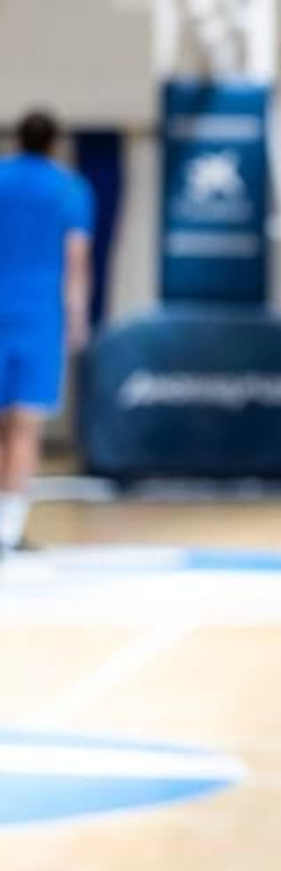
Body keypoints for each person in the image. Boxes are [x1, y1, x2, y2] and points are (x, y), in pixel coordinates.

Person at [0, 109, 93, 558]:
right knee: (25, 428)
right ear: (55, 143)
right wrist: (77, 318)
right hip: (38, 317)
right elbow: (76, 259)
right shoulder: (69, 188)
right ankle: (8, 529)